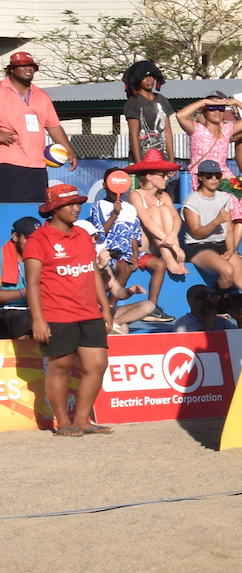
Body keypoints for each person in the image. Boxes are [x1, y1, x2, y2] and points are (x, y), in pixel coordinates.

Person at [25, 183, 112, 436]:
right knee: (59, 367)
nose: (76, 208)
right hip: (57, 314)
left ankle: (82, 420)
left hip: (89, 313)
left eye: (78, 203)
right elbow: (32, 282)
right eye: (70, 204)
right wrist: (38, 319)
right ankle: (62, 421)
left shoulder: (83, 235)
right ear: (54, 208)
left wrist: (105, 307)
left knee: (97, 365)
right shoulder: (38, 239)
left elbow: (92, 271)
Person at [82, 169, 159, 331]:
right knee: (124, 268)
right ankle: (110, 306)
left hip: (129, 251)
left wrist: (136, 255)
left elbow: (134, 234)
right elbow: (101, 233)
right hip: (110, 250)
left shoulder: (130, 208)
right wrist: (114, 215)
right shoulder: (99, 205)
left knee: (160, 264)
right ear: (105, 185)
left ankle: (154, 306)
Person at [0, 50, 77, 205]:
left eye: (31, 66)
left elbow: (54, 126)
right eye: (22, 66)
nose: (28, 69)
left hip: (38, 164)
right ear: (11, 70)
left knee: (35, 209)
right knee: (10, 209)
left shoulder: (41, 95)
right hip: (8, 163)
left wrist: (69, 151)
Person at [178, 94, 242, 222]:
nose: (217, 111)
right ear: (204, 111)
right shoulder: (196, 129)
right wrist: (205, 101)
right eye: (212, 108)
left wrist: (235, 102)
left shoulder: (227, 129)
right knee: (231, 200)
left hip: (224, 175)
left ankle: (234, 242)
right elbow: (180, 115)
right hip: (203, 176)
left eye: (221, 108)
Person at [128, 151, 186, 287]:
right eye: (162, 175)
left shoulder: (163, 196)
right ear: (149, 176)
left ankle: (173, 256)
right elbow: (147, 223)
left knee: (165, 210)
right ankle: (169, 257)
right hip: (142, 246)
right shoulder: (135, 195)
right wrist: (173, 245)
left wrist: (172, 237)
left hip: (161, 244)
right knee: (154, 210)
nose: (167, 178)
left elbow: (177, 219)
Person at [181, 160, 240, 286]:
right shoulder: (192, 201)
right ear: (201, 177)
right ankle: (219, 304)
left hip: (221, 244)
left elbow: (229, 229)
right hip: (199, 246)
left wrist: (231, 249)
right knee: (228, 271)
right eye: (209, 176)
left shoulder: (225, 198)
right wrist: (216, 221)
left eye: (217, 176)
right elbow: (197, 234)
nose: (214, 179)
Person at [122, 60, 174, 163]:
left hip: (161, 160)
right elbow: (133, 134)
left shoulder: (161, 99)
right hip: (142, 159)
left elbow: (167, 131)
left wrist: (171, 158)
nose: (149, 80)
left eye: (152, 76)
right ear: (137, 79)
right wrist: (139, 163)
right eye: (145, 77)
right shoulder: (134, 102)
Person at [0, 216, 40, 339]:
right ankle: (23, 358)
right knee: (23, 321)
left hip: (37, 308)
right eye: (29, 238)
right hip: (8, 310)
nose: (34, 243)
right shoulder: (2, 258)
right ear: (15, 236)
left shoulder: (43, 258)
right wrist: (25, 292)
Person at [171, 283, 241, 334]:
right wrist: (211, 315)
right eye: (202, 297)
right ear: (191, 301)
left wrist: (240, 319)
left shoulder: (220, 321)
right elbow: (198, 342)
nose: (207, 300)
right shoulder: (183, 323)